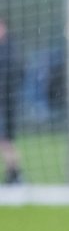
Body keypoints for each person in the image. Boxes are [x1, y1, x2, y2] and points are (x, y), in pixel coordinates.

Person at [0, 18, 23, 185]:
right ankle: (13, 174)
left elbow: (15, 74)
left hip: (6, 102)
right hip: (7, 101)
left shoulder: (9, 50)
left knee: (5, 139)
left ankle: (14, 175)